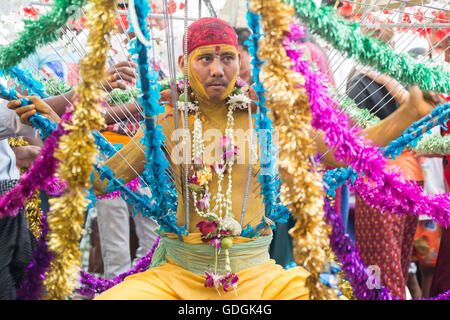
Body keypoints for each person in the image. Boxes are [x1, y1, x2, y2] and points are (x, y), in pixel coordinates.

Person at [11, 17, 438, 300]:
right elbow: (104, 180)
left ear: (240, 64)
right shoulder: (163, 123)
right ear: (184, 63)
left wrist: (406, 113)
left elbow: (344, 148)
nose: (217, 69)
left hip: (258, 274)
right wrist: (59, 130)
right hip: (177, 276)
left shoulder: (266, 121)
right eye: (205, 58)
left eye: (227, 57)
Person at [345, 28, 428, 299]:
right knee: (399, 265)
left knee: (378, 267)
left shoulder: (359, 83)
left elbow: (357, 136)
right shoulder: (406, 82)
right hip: (412, 178)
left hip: (379, 182)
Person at [0, 96, 41, 300]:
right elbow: (12, 118)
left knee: (25, 268)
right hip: (4, 197)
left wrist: (17, 153)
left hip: (12, 194)